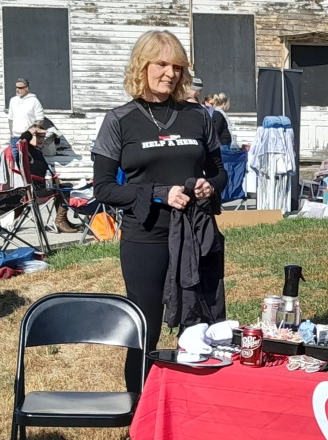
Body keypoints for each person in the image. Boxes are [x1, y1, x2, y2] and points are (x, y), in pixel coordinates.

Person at [90, 30, 226, 340]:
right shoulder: (119, 119)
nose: (171, 74)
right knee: (143, 331)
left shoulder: (198, 116)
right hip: (146, 237)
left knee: (201, 330)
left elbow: (220, 172)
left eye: (177, 67)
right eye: (162, 64)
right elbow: (104, 189)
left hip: (196, 232)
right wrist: (159, 194)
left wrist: (209, 186)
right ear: (142, 66)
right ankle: (143, 376)